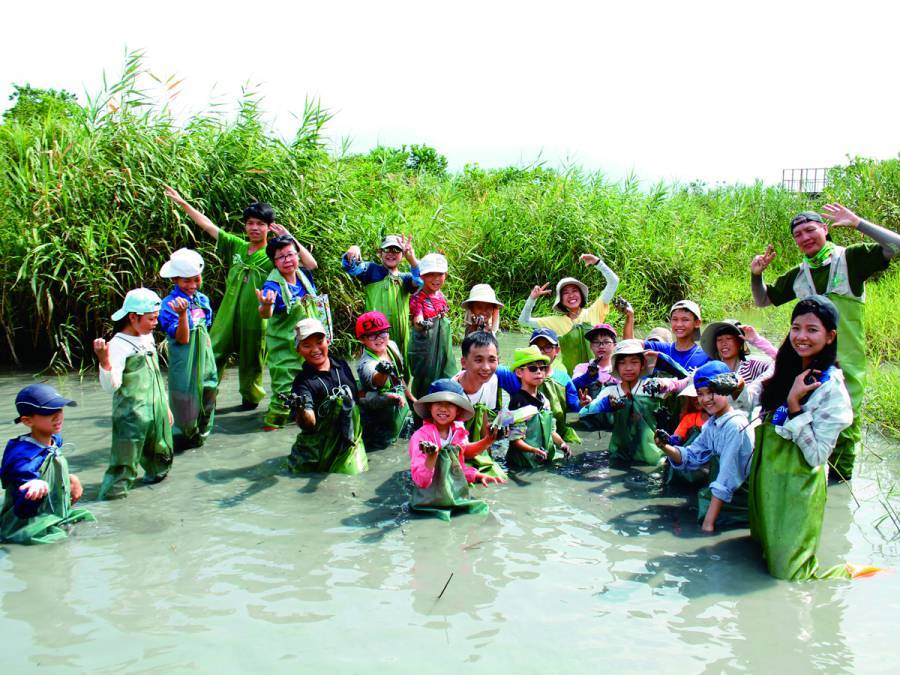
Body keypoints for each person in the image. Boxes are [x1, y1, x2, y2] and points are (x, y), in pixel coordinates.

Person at [750, 204, 899, 480]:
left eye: (810, 230)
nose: (805, 237)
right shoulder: (799, 274)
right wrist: (756, 275)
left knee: (846, 427)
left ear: (825, 229)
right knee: (799, 417)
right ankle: (806, 482)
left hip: (847, 362)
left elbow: (896, 246)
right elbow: (763, 300)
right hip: (807, 360)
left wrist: (857, 222)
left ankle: (839, 483)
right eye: (798, 234)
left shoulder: (850, 259)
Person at [746, 295, 877, 580]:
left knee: (790, 574)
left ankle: (857, 572)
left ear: (830, 336)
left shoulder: (832, 389)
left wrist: (795, 406)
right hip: (766, 479)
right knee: (758, 554)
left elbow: (816, 456)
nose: (801, 336)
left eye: (812, 329)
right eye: (796, 328)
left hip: (798, 488)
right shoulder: (785, 368)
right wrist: (728, 386)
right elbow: (753, 396)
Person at [164, 185, 313, 409]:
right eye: (250, 223)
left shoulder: (273, 255)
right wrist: (183, 203)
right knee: (212, 353)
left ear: (269, 227)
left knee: (252, 363)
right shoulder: (237, 246)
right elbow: (208, 226)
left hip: (256, 318)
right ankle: (202, 400)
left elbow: (309, 265)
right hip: (227, 314)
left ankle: (250, 402)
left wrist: (288, 237)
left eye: (260, 224)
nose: (254, 228)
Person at [93, 288, 174, 499]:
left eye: (156, 317)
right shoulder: (118, 345)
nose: (156, 323)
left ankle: (157, 496)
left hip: (155, 411)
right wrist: (104, 360)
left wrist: (165, 407)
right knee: (123, 466)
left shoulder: (147, 338)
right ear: (133, 317)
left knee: (161, 457)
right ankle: (112, 501)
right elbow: (111, 387)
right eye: (151, 318)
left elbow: (156, 376)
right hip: (131, 416)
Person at [655, 361, 753, 532]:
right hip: (722, 500)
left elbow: (726, 479)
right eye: (700, 394)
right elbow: (692, 456)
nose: (706, 399)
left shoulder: (735, 426)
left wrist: (708, 524)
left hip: (739, 506)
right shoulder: (712, 424)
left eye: (711, 392)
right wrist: (664, 446)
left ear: (726, 390)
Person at [1, 385, 95, 544]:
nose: (57, 416)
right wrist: (33, 489)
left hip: (51, 515)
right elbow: (23, 509)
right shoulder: (23, 458)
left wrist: (70, 479)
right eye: (48, 412)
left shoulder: (54, 439)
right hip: (27, 525)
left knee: (87, 519)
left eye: (60, 409)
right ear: (27, 420)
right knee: (59, 543)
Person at [578, 339, 686, 465]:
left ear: (642, 365)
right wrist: (599, 404)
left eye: (634, 362)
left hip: (652, 456)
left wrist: (663, 361)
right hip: (618, 455)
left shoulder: (654, 386)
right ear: (616, 366)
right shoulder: (611, 391)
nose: (628, 368)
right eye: (622, 363)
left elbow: (688, 380)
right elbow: (583, 414)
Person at [409, 379, 504, 520]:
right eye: (438, 403)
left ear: (458, 409)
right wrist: (431, 457)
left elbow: (458, 466)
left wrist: (478, 475)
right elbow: (421, 481)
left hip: (452, 491)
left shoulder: (458, 430)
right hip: (428, 499)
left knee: (484, 514)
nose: (443, 408)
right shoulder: (420, 437)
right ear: (429, 407)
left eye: (450, 404)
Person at [257, 235, 321, 430]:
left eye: (290, 254)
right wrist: (266, 305)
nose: (287, 260)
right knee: (284, 395)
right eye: (281, 257)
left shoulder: (303, 275)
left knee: (313, 386)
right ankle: (270, 427)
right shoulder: (272, 286)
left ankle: (305, 421)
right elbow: (265, 313)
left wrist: (290, 236)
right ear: (274, 262)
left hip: (310, 344)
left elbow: (313, 264)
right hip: (285, 349)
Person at [287, 319, 367, 474]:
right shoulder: (303, 382)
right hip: (319, 448)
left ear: (328, 341)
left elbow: (356, 400)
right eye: (307, 345)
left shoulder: (342, 366)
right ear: (298, 349)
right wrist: (300, 408)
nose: (315, 349)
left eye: (319, 342)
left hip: (349, 439)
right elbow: (309, 423)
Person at [518, 253, 620, 374]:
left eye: (574, 291)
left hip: (601, 375)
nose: (571, 295)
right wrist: (532, 299)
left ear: (581, 295)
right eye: (566, 293)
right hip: (574, 378)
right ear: (560, 300)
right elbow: (524, 321)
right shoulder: (556, 322)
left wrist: (597, 262)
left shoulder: (594, 311)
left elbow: (614, 281)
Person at [158, 248, 218, 449]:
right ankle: (180, 442)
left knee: (209, 394)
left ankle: (200, 439)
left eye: (196, 279)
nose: (192, 285)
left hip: (205, 360)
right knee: (185, 403)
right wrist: (183, 314)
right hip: (184, 363)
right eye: (186, 281)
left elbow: (205, 330)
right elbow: (183, 339)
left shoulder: (202, 300)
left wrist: (209, 356)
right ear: (175, 279)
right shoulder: (168, 305)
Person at [342, 235, 421, 370]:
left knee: (401, 368)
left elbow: (421, 281)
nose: (391, 253)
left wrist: (412, 260)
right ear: (380, 253)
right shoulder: (371, 270)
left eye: (396, 250)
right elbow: (351, 267)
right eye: (387, 250)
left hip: (401, 336)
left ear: (402, 255)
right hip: (375, 334)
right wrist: (353, 250)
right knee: (377, 369)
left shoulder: (406, 279)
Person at [452, 331, 519, 479]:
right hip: (454, 450)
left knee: (499, 476)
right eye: (478, 360)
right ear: (464, 362)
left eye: (492, 360)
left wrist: (489, 455)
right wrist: (488, 441)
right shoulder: (452, 394)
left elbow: (483, 415)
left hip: (476, 445)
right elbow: (455, 445)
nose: (486, 367)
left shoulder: (492, 380)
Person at [506, 347, 572, 470]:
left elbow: (551, 430)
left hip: (543, 458)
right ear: (519, 372)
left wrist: (562, 444)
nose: (539, 372)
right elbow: (515, 440)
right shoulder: (518, 402)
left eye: (542, 368)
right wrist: (533, 450)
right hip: (522, 464)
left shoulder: (544, 400)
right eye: (533, 368)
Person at [355, 311, 413, 451]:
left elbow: (399, 378)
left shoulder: (391, 346)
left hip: (398, 408)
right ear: (362, 339)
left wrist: (412, 399)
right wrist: (383, 371)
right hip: (377, 420)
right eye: (372, 335)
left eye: (382, 332)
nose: (379, 339)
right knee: (382, 449)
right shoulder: (365, 364)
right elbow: (377, 381)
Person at [699, 320, 775, 416]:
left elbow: (781, 363)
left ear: (740, 342)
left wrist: (756, 340)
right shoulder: (711, 369)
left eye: (729, 338)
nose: (724, 343)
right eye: (719, 340)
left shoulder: (751, 367)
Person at [408, 253, 455, 400]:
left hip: (442, 346)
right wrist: (422, 324)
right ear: (422, 276)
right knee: (425, 381)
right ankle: (421, 409)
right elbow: (417, 319)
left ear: (445, 275)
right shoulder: (418, 298)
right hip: (425, 348)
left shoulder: (440, 295)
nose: (436, 279)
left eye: (440, 274)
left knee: (447, 378)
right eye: (430, 274)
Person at [527, 328, 582, 446]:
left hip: (557, 435)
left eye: (547, 347)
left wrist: (582, 404)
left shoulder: (563, 378)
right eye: (537, 347)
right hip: (527, 437)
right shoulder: (519, 375)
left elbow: (574, 407)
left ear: (557, 350)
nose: (541, 352)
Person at [644, 300, 710, 372]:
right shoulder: (661, 349)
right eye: (675, 319)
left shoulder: (706, 356)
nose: (679, 324)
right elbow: (635, 344)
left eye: (685, 320)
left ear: (697, 323)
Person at [571, 323, 620, 399]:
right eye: (596, 342)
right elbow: (573, 386)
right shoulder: (582, 368)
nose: (601, 346)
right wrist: (588, 375)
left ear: (614, 345)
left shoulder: (620, 368)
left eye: (606, 342)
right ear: (590, 346)